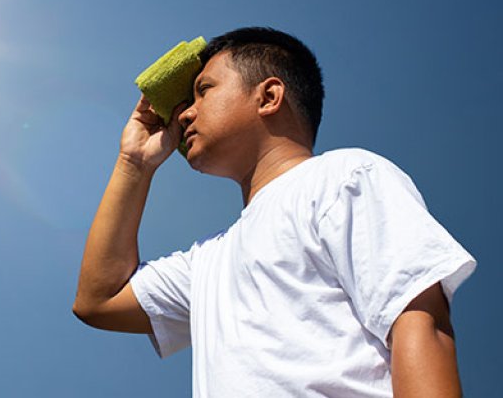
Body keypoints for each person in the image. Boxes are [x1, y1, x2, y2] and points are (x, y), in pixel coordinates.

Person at [72, 27, 476, 397]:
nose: (184, 114)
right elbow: (99, 300)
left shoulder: (345, 176)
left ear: (268, 97)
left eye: (204, 90)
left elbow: (420, 322)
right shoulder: (209, 261)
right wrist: (134, 164)